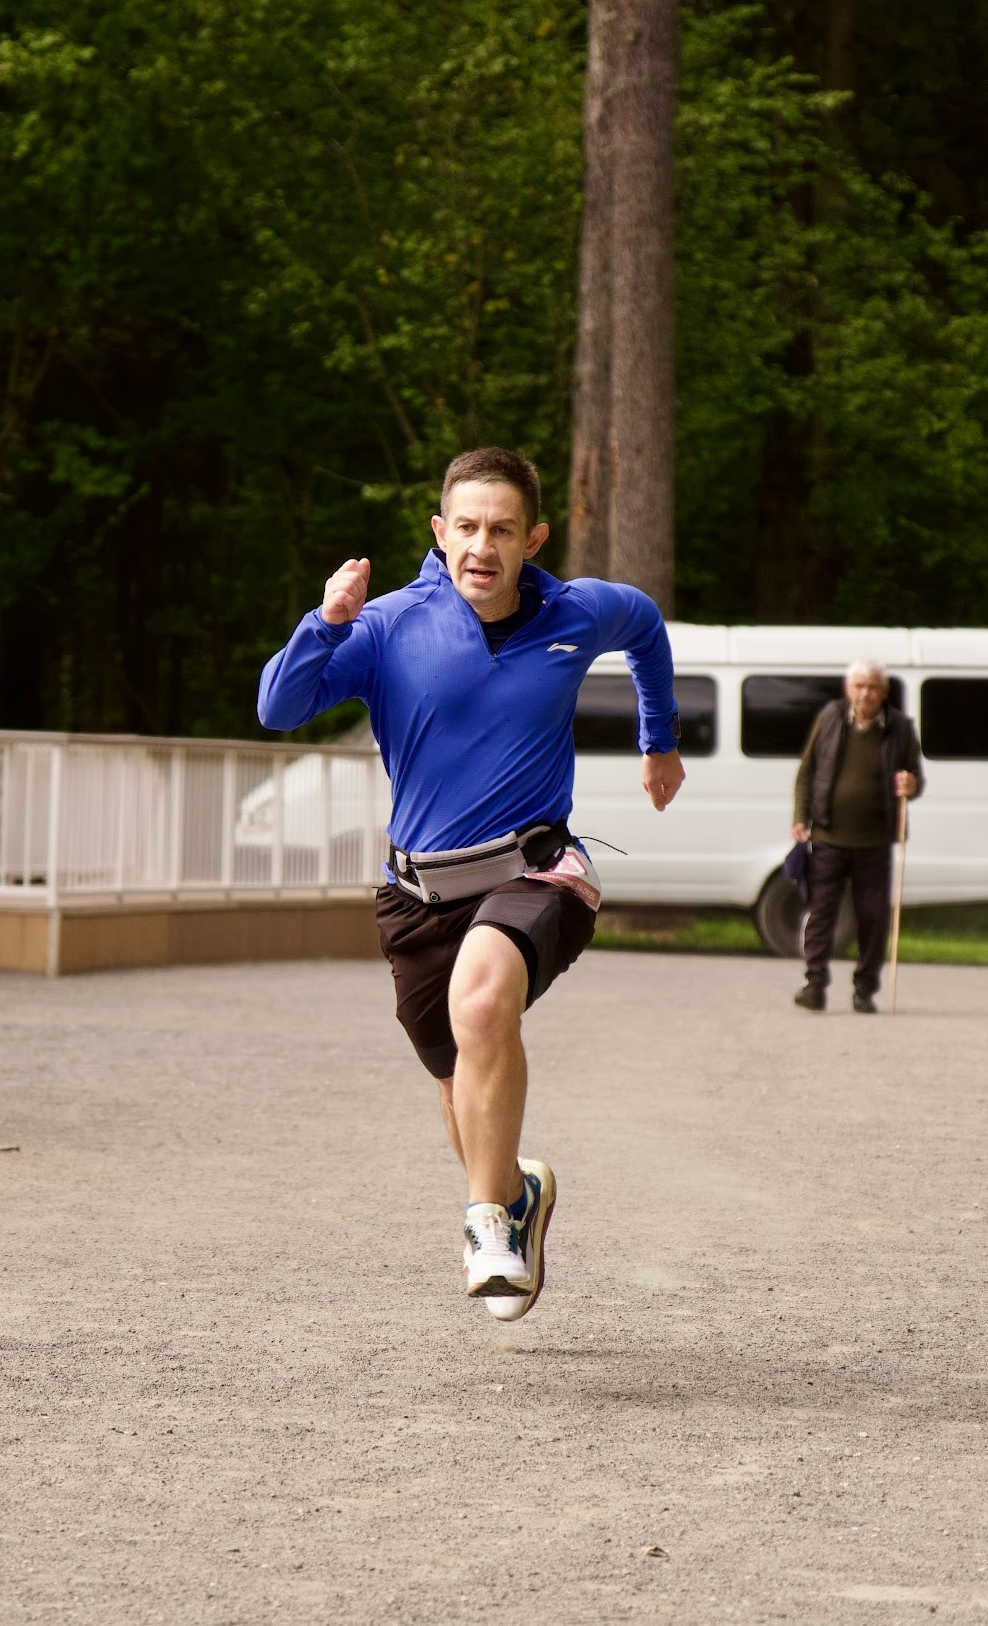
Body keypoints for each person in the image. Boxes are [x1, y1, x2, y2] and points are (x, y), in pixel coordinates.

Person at [257, 446, 683, 1323]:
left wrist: (660, 737)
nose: (481, 545)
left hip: (537, 870)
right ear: (438, 531)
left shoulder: (576, 613)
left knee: (483, 1003)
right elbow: (278, 707)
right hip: (416, 897)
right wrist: (325, 621)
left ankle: (487, 1221)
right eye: (466, 527)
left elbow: (643, 624)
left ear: (533, 538)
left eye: (501, 529)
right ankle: (516, 1190)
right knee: (456, 1083)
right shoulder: (385, 626)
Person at [788, 659, 923, 1014]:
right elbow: (808, 769)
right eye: (860, 686)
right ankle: (814, 984)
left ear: (884, 692)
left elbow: (915, 778)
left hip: (875, 841)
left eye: (873, 687)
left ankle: (864, 989)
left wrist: (910, 784)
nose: (866, 693)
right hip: (829, 836)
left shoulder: (900, 728)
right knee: (822, 913)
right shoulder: (831, 718)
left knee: (873, 917)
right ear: (848, 689)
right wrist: (801, 816)